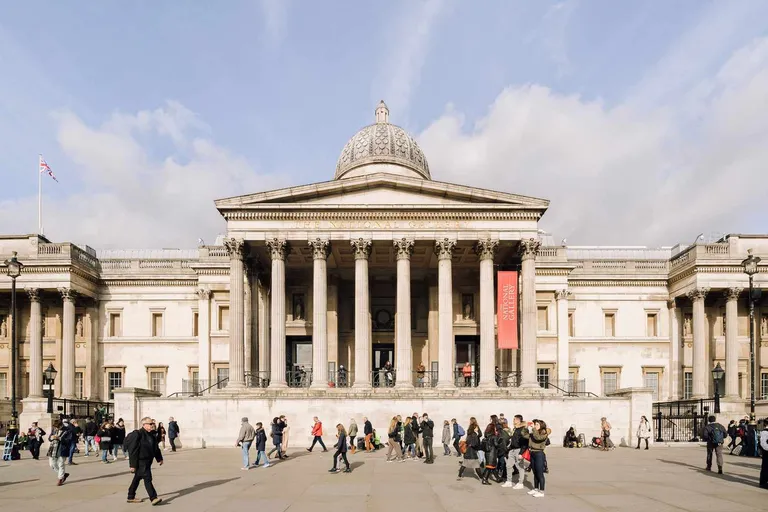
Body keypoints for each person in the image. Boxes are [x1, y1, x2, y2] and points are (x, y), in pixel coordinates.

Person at [125, 416, 164, 505]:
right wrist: (133, 465)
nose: (152, 425)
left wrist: (159, 458)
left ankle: (130, 496)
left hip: (148, 460)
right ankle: (153, 498)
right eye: (150, 424)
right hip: (141, 460)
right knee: (147, 478)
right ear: (144, 425)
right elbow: (133, 450)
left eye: (153, 423)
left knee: (137, 478)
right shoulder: (138, 434)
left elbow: (155, 448)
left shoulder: (152, 435)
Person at [502, 415, 530, 489]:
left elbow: (525, 443)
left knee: (520, 467)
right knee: (508, 465)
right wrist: (509, 449)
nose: (513, 420)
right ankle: (509, 481)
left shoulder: (523, 429)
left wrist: (521, 453)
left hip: (518, 450)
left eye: (514, 419)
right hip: (512, 449)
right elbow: (514, 440)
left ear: (518, 420)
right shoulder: (516, 429)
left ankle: (520, 483)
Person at [528, 419, 550, 498]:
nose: (535, 426)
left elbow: (538, 438)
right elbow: (525, 436)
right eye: (535, 424)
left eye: (537, 424)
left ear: (541, 425)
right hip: (532, 453)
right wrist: (525, 427)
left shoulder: (543, 433)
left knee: (540, 473)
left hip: (539, 453)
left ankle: (542, 491)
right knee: (535, 472)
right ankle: (536, 488)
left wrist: (534, 429)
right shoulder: (534, 432)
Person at [47, 420, 72, 486]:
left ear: (61, 425)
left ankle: (60, 478)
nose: (56, 429)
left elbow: (69, 440)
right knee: (52, 464)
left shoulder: (67, 430)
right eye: (55, 427)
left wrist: (59, 438)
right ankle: (63, 474)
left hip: (62, 449)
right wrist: (51, 438)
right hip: (53, 449)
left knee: (61, 464)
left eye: (57, 427)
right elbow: (49, 438)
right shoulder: (54, 430)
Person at [481, 420, 502, 485]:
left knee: (492, 466)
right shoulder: (494, 436)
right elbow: (496, 445)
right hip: (492, 453)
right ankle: (485, 479)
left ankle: (498, 478)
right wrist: (500, 442)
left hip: (487, 453)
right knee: (489, 467)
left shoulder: (487, 436)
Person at [759, 419, 768, 489]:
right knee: (765, 467)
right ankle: (763, 482)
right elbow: (763, 443)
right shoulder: (764, 432)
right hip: (766, 453)